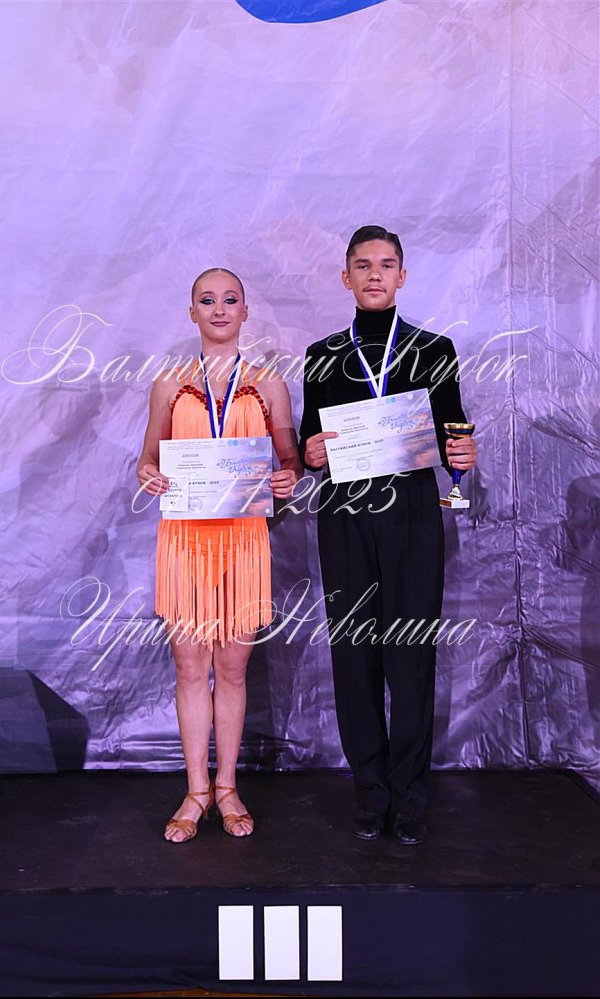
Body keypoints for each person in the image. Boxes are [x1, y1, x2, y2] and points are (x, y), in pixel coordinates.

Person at [299, 226, 478, 845]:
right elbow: (310, 441)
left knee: (411, 656)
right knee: (354, 656)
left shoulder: (434, 349)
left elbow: (454, 435)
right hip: (344, 515)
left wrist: (463, 456)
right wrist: (311, 453)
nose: (374, 274)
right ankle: (370, 793)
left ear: (402, 276)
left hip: (411, 515)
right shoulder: (322, 355)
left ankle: (409, 795)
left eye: (386, 264)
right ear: (345, 277)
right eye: (362, 265)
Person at [137, 268, 302, 843]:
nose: (219, 309)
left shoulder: (268, 384)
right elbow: (147, 458)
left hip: (243, 541)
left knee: (232, 670)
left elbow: (290, 458)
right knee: (189, 669)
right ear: (192, 312)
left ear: (245, 311)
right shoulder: (168, 383)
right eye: (207, 300)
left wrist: (288, 475)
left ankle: (227, 787)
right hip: (185, 541)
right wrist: (149, 473)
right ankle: (195, 792)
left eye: (230, 299)